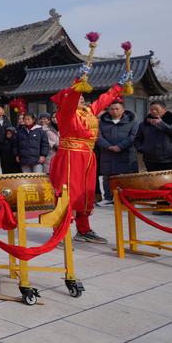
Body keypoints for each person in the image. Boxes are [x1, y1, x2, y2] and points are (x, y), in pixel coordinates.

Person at [48, 66, 130, 245]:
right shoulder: (65, 113)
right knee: (67, 193)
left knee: (86, 194)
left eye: (83, 96)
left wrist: (119, 85)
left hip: (88, 157)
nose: (82, 97)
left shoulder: (88, 112)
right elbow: (71, 98)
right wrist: (78, 80)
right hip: (70, 157)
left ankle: (83, 230)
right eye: (79, 95)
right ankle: (59, 232)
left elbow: (104, 99)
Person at [97, 100, 138, 204]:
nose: (114, 111)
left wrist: (120, 146)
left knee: (126, 176)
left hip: (125, 153)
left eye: (117, 109)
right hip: (107, 153)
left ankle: (126, 198)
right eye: (112, 109)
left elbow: (133, 137)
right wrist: (109, 146)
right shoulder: (101, 123)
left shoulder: (132, 122)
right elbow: (98, 136)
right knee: (107, 176)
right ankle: (107, 198)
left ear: (123, 110)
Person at [135, 100, 172, 172]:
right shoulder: (145, 124)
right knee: (154, 181)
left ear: (164, 110)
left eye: (156, 109)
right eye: (151, 110)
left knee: (170, 182)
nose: (154, 111)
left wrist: (162, 124)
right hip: (150, 159)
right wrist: (142, 148)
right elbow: (137, 139)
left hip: (170, 159)